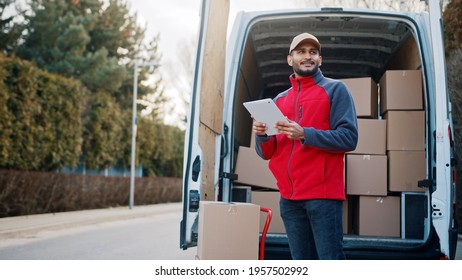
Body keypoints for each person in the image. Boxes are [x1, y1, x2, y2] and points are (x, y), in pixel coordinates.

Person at [253, 33, 358, 260]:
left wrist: (305, 134)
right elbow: (267, 153)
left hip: (323, 198)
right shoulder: (279, 101)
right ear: (290, 59)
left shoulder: (335, 90)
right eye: (301, 52)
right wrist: (261, 136)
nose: (307, 56)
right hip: (289, 200)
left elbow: (349, 138)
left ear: (320, 59)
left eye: (313, 52)